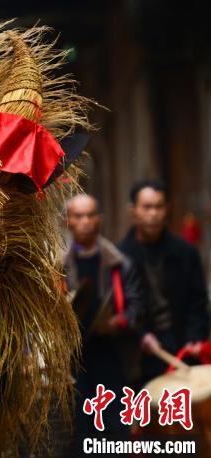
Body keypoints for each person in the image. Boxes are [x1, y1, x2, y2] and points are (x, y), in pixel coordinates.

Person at [63, 194, 145, 445]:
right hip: (73, 361)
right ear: (68, 222)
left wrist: (118, 323)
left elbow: (137, 308)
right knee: (79, 431)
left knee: (115, 429)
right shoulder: (58, 266)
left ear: (100, 219)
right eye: (78, 216)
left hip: (112, 356)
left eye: (90, 215)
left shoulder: (119, 263)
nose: (85, 221)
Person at [118, 180, 210, 382]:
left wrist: (194, 339)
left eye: (159, 207)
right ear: (133, 210)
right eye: (147, 207)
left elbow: (198, 302)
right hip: (142, 355)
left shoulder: (186, 252)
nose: (153, 214)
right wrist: (140, 336)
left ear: (167, 208)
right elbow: (121, 307)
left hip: (182, 346)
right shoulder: (119, 257)